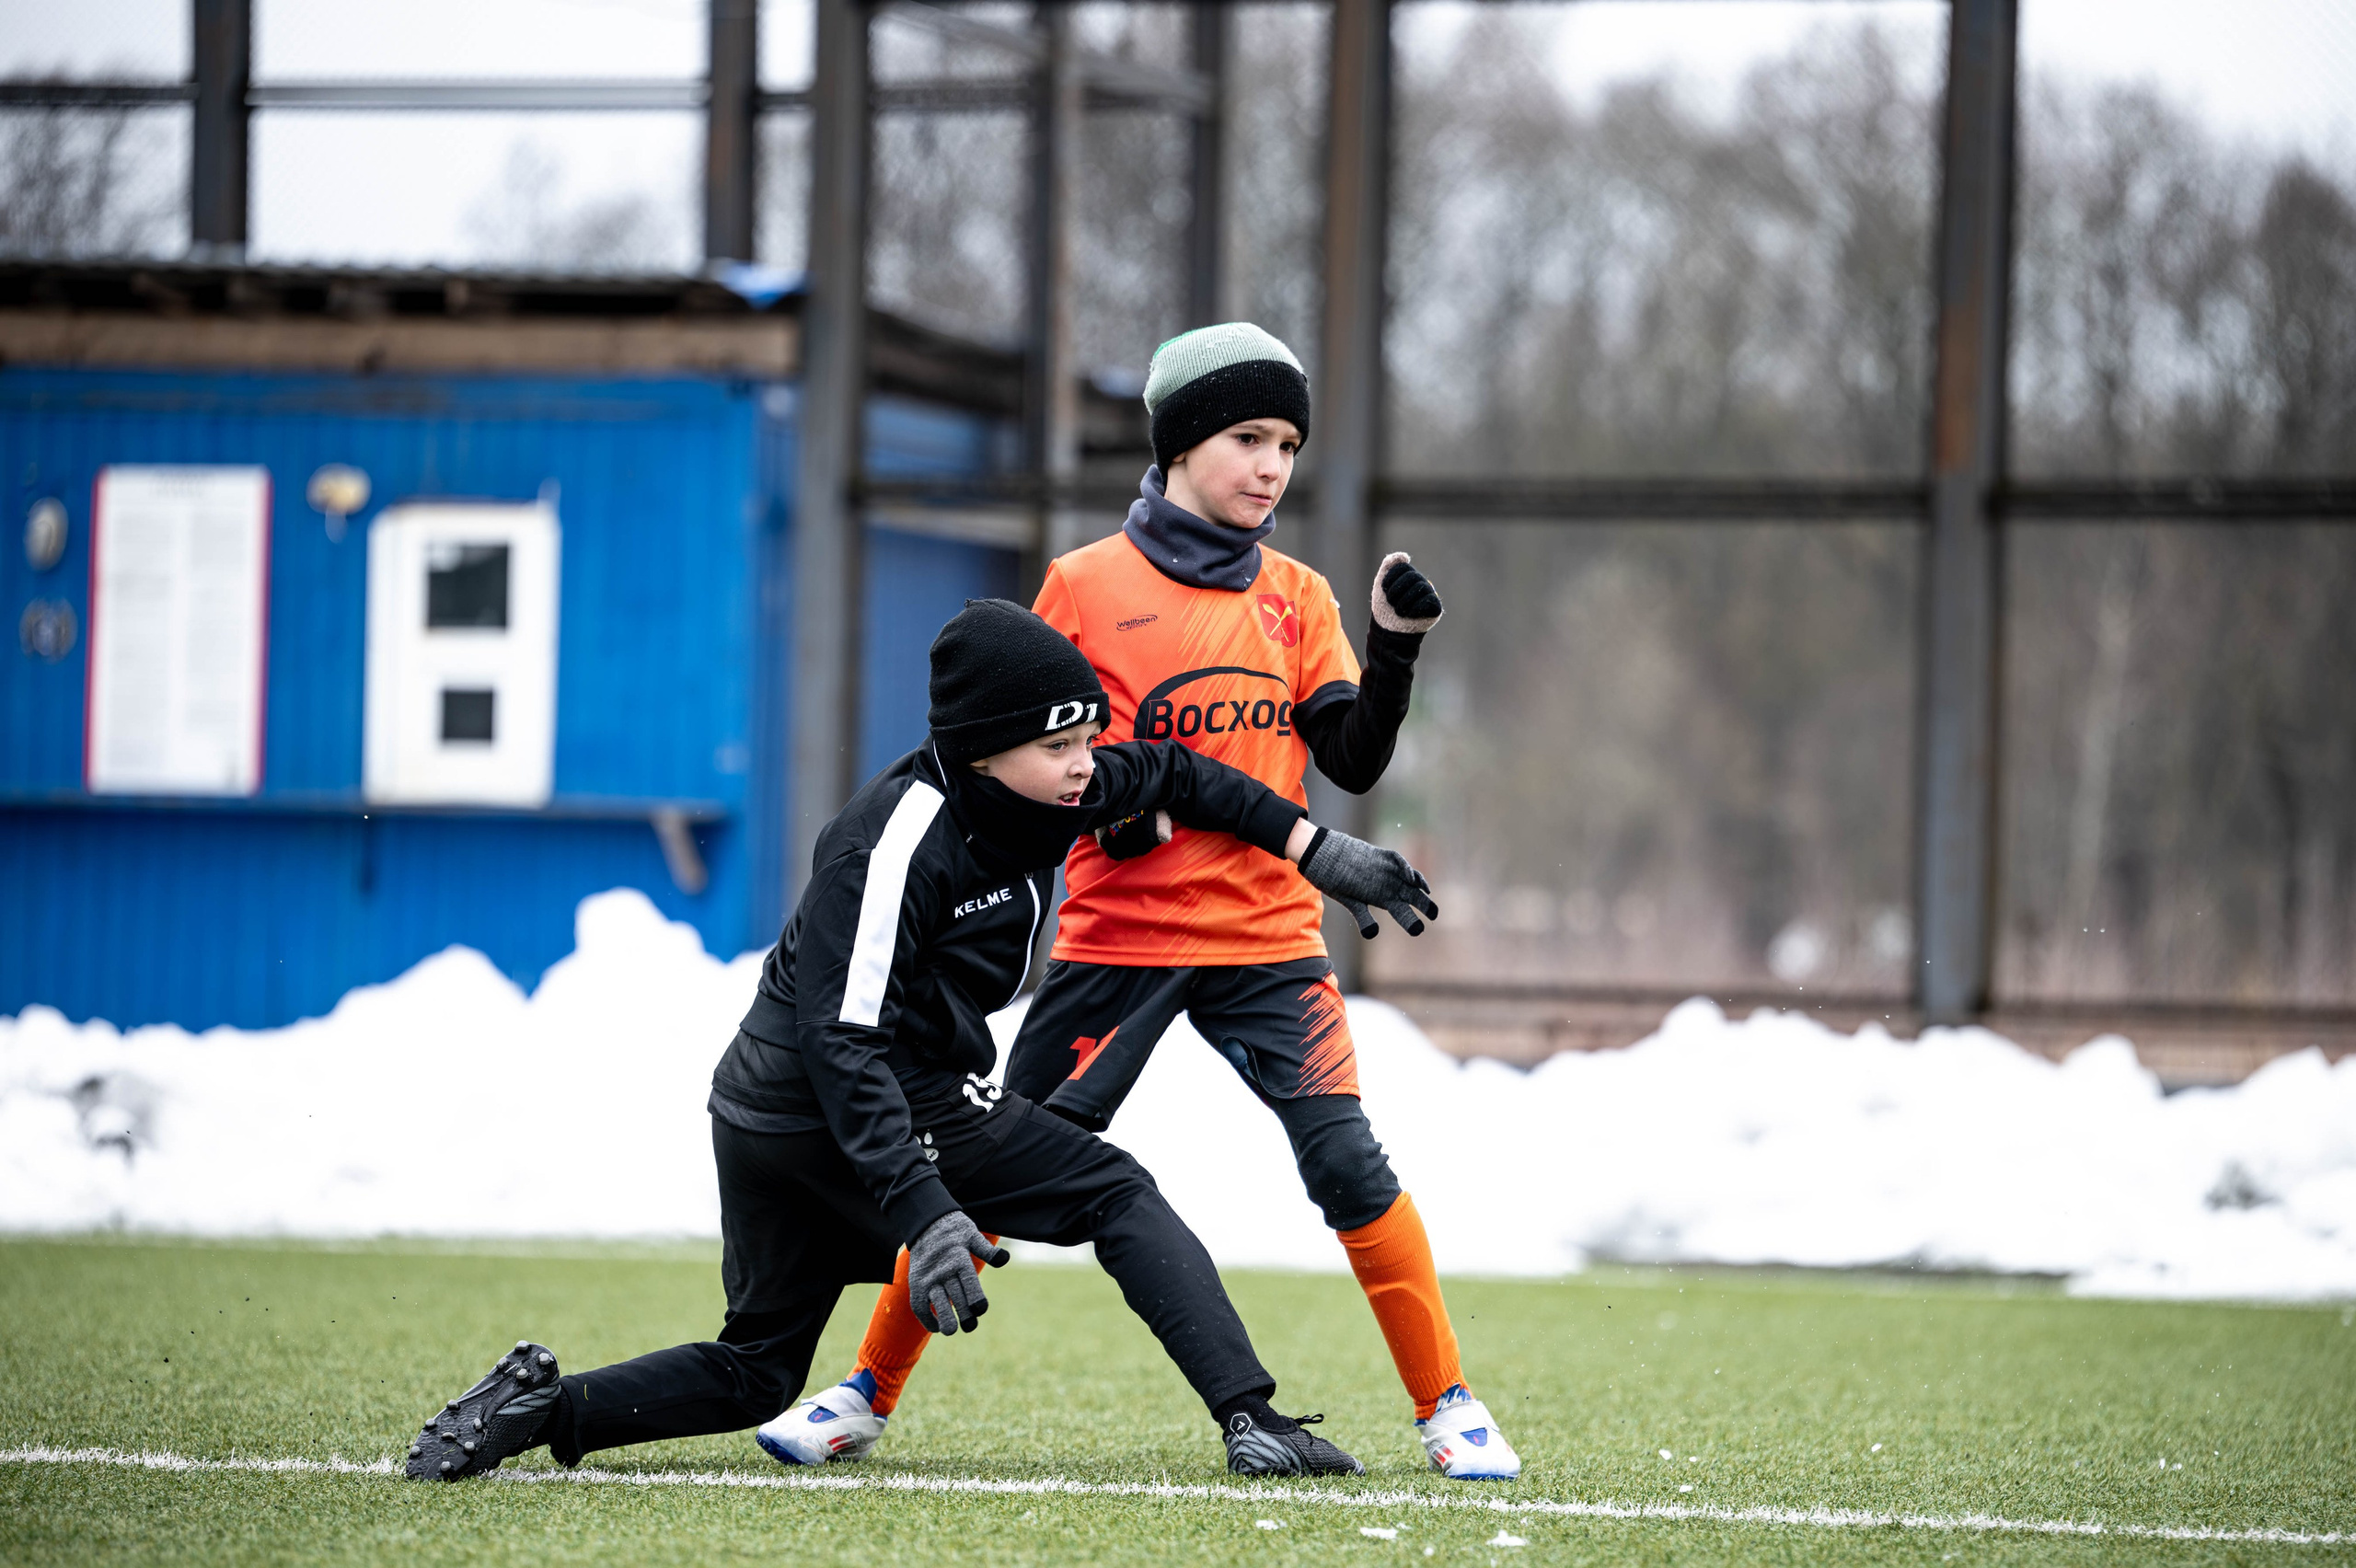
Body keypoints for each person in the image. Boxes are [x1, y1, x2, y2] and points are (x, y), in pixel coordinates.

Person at [401, 597, 1438, 1482]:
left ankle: (538, 1413)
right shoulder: (896, 839)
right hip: (831, 1101)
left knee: (758, 1370)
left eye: (1086, 738)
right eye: (1060, 746)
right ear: (984, 747)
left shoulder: (1043, 782)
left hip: (775, 1107)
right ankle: (1251, 1420)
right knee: (1115, 1189)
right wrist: (923, 1208)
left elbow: (1176, 772)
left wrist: (1315, 847)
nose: (1087, 765)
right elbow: (841, 1041)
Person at [774, 323, 1520, 1482]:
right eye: (1247, 437)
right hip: (1115, 945)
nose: (1273, 466)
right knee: (988, 1169)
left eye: (1288, 444)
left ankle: (1449, 1406)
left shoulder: (1297, 596)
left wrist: (1396, 648)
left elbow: (1353, 759)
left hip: (1271, 944)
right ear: (1176, 444)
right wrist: (1133, 813)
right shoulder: (1079, 588)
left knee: (1347, 1167)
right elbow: (1033, 767)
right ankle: (864, 1392)